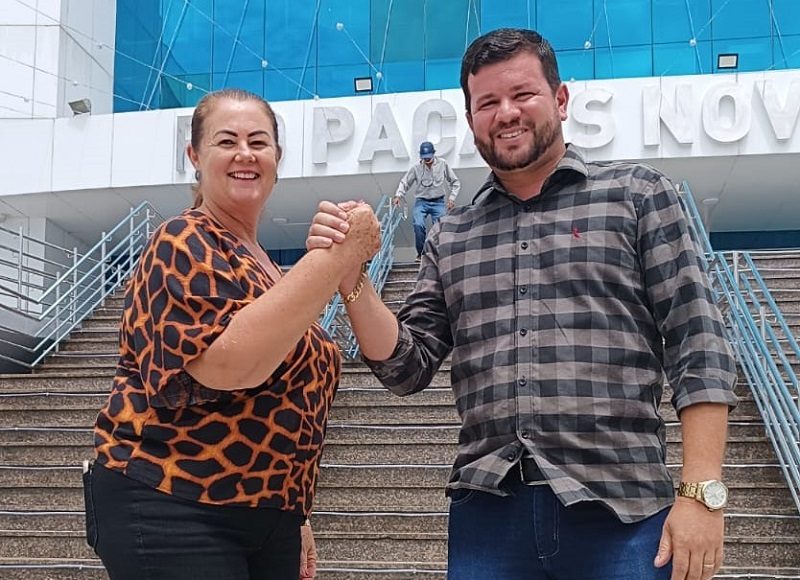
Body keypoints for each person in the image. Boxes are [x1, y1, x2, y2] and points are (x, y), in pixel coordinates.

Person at [306, 28, 738, 580]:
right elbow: (406, 366)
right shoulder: (451, 235)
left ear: (560, 98)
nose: (506, 113)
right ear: (471, 120)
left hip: (624, 510)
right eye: (487, 102)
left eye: (523, 94)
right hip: (489, 516)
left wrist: (702, 494)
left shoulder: (638, 195)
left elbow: (698, 344)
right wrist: (351, 277)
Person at [86, 88, 380, 580]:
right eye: (227, 141)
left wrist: (293, 508)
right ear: (195, 156)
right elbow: (230, 364)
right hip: (172, 497)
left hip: (266, 512)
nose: (245, 153)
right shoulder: (182, 238)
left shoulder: (267, 270)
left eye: (258, 142)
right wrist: (339, 254)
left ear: (277, 159)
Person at [393, 141, 460, 261]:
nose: (427, 160)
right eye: (425, 158)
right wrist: (398, 195)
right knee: (418, 224)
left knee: (440, 228)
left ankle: (438, 253)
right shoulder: (416, 168)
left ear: (433, 154)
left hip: (438, 202)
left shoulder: (443, 164)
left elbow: (455, 182)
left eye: (429, 157)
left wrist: (452, 198)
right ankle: (421, 253)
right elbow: (405, 182)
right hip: (422, 202)